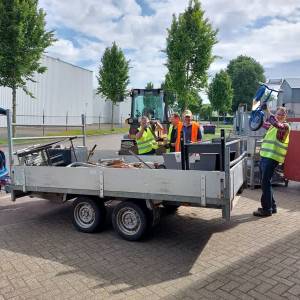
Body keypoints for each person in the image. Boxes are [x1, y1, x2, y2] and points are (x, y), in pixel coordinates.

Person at [253, 106, 290, 217]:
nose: (279, 116)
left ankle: (266, 209)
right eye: (278, 114)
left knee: (265, 183)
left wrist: (267, 110)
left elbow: (275, 123)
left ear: (285, 117)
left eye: (281, 115)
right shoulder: (273, 126)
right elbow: (264, 124)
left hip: (272, 158)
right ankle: (272, 207)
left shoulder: (285, 127)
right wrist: (256, 115)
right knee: (266, 183)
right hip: (265, 157)